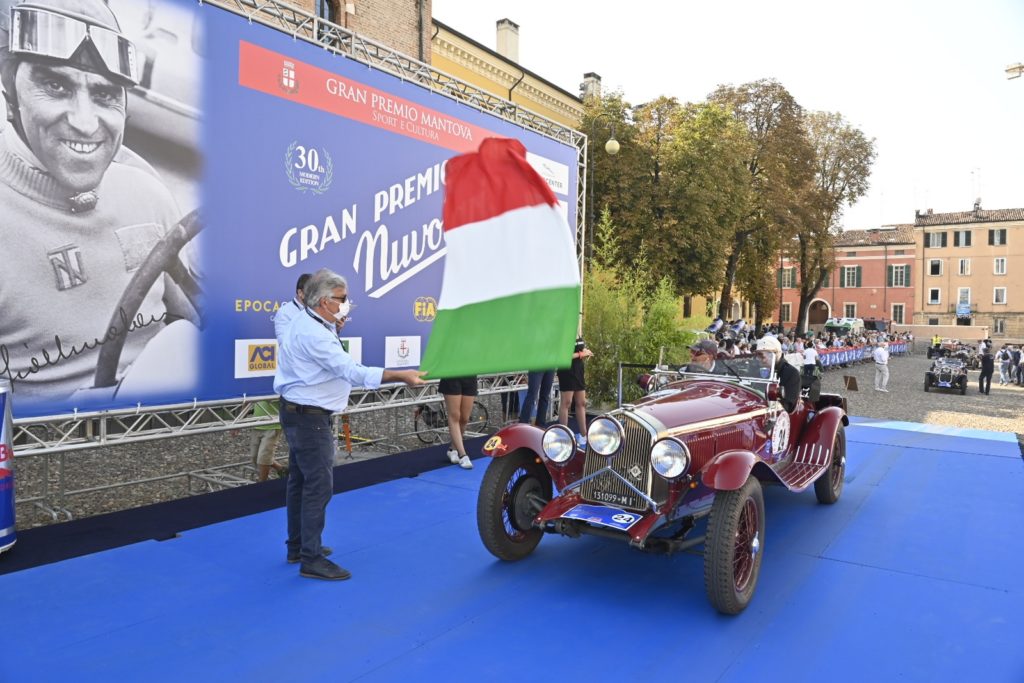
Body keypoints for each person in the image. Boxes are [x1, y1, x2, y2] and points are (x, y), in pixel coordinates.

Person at [0, 0, 195, 403]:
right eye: (55, 86)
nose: (86, 123)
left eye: (106, 94)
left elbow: (195, 320)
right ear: (10, 88)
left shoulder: (146, 192)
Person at [274, 269, 425, 581]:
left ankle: (298, 546)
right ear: (324, 301)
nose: (346, 304)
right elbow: (352, 371)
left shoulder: (309, 322)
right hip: (309, 418)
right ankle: (311, 558)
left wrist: (336, 328)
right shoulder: (313, 332)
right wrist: (400, 375)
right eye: (342, 299)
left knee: (301, 482)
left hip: (300, 413)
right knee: (318, 485)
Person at [557, 336, 592, 448]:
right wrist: (582, 354)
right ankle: (564, 437)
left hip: (578, 370)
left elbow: (581, 350)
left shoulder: (579, 335)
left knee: (581, 403)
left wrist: (586, 352)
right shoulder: (563, 335)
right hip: (566, 371)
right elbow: (563, 356)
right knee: (566, 403)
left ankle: (583, 436)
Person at [439, 376, 477, 469]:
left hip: (470, 374)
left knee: (465, 418)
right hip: (451, 374)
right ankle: (463, 454)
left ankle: (453, 449)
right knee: (454, 416)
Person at [756, 336, 801, 413]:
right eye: (759, 355)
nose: (763, 359)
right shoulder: (756, 369)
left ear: (777, 354)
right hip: (756, 409)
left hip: (775, 417)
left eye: (768, 354)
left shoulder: (791, 373)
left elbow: (788, 405)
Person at [250, 398, 287, 481]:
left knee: (264, 457)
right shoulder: (253, 385)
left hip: (272, 425)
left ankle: (262, 483)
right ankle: (281, 469)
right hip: (256, 423)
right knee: (254, 456)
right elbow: (246, 400)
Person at [273, 273, 312, 341]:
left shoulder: (318, 310)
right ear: (300, 293)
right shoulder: (284, 312)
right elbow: (284, 343)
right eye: (311, 292)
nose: (315, 296)